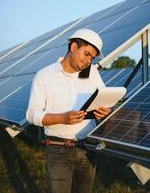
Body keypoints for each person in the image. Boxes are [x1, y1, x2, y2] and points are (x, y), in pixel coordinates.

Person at [26, 28, 111, 193]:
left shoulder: (92, 73)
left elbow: (104, 99)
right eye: (87, 54)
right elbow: (31, 114)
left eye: (92, 58)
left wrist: (104, 111)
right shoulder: (44, 75)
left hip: (87, 149)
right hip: (59, 149)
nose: (89, 61)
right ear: (73, 47)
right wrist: (63, 118)